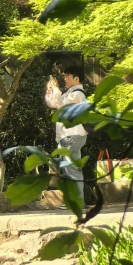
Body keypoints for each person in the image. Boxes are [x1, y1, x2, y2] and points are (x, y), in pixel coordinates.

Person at [45, 67, 89, 203]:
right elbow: (53, 103)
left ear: (76, 79)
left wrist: (56, 89)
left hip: (73, 135)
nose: (65, 79)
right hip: (68, 136)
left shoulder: (77, 94)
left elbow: (61, 104)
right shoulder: (69, 93)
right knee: (69, 169)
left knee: (71, 169)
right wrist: (50, 92)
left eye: (67, 77)